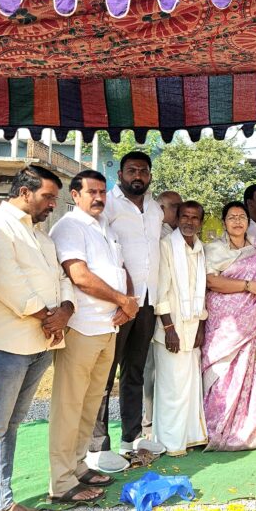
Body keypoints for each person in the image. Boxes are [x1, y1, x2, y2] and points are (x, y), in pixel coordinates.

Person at [0, 165, 75, 511]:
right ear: (25, 193)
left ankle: (3, 503)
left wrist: (65, 311)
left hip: (40, 344)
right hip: (4, 345)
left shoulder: (42, 237)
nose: (52, 204)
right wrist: (48, 316)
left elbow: (62, 279)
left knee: (10, 426)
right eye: (48, 197)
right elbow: (6, 279)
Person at [49, 170, 137, 504]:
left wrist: (128, 304)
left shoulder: (106, 228)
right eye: (92, 192)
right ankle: (61, 482)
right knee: (69, 405)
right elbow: (80, 276)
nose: (99, 197)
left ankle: (78, 466)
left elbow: (121, 271)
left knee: (90, 404)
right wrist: (123, 301)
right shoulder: (69, 227)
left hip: (108, 327)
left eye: (102, 191)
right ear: (75, 195)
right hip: (82, 327)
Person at [88, 151, 165, 474]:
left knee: (134, 371)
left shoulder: (156, 209)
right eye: (132, 170)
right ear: (120, 174)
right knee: (105, 374)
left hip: (147, 301)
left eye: (143, 171)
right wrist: (122, 297)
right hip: (118, 303)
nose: (138, 175)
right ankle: (97, 446)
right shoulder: (109, 205)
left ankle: (130, 440)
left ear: (150, 176)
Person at [202, 201, 256, 451]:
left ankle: (249, 430)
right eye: (232, 217)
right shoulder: (213, 249)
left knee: (252, 375)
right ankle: (217, 427)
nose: (237, 221)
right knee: (221, 372)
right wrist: (247, 286)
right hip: (224, 325)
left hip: (252, 322)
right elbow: (211, 282)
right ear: (224, 222)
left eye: (241, 217)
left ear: (248, 222)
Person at [154, 201, 210, 456]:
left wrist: (201, 326)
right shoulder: (166, 246)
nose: (189, 221)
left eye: (195, 217)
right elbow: (161, 290)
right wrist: (169, 328)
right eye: (185, 216)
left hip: (192, 327)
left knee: (190, 385)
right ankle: (171, 442)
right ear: (176, 219)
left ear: (201, 222)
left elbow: (203, 292)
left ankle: (190, 437)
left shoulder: (200, 249)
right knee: (171, 387)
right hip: (171, 329)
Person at [143, 189, 183, 442]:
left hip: (180, 313)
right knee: (150, 369)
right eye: (175, 207)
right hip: (155, 310)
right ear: (161, 209)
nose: (180, 211)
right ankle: (148, 424)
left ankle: (167, 422)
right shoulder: (157, 235)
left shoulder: (181, 236)